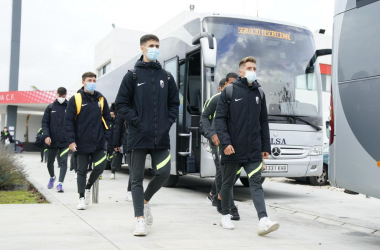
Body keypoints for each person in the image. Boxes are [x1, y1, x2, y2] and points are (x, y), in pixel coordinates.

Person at [115, 34, 179, 236]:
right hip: (137, 136)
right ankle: (139, 219)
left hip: (160, 136)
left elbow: (174, 105)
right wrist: (138, 122)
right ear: (142, 48)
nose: (155, 49)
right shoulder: (132, 76)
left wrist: (167, 123)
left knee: (164, 173)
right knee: (136, 179)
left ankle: (144, 200)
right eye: (151, 46)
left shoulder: (166, 77)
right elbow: (121, 105)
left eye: (157, 46)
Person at [214, 56, 279, 235]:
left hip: (253, 150)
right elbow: (219, 120)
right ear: (241, 71)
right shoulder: (229, 91)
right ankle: (225, 214)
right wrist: (225, 143)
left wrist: (266, 146)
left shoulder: (260, 93)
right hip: (232, 148)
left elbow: (263, 121)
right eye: (249, 68)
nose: (252, 71)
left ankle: (263, 220)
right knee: (227, 183)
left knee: (256, 183)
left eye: (254, 68)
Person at [64, 71, 112, 210]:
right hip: (81, 143)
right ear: (83, 82)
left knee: (100, 168)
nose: (92, 83)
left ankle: (88, 186)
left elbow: (107, 119)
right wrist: (71, 141)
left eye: (94, 80)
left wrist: (106, 137)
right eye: (89, 80)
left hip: (98, 142)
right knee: (81, 171)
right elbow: (68, 122)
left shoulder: (101, 99)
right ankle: (81, 198)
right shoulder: (76, 99)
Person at [201, 74, 241, 219]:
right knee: (222, 171)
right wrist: (212, 134)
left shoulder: (239, 100)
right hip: (217, 142)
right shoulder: (216, 99)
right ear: (223, 86)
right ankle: (229, 205)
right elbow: (204, 117)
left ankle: (215, 195)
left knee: (232, 172)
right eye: (229, 84)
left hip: (232, 142)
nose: (232, 87)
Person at [42, 87, 70, 192]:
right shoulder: (50, 107)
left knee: (63, 162)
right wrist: (46, 136)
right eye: (60, 96)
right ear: (56, 94)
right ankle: (52, 177)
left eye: (63, 96)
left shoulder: (70, 107)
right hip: (52, 140)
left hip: (65, 141)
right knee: (50, 162)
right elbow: (45, 123)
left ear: (66, 95)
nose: (61, 98)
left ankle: (60, 183)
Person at [113, 112, 132, 201]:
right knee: (133, 169)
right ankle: (130, 191)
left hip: (139, 143)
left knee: (137, 170)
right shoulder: (124, 109)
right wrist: (116, 144)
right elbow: (118, 127)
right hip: (128, 143)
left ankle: (132, 190)